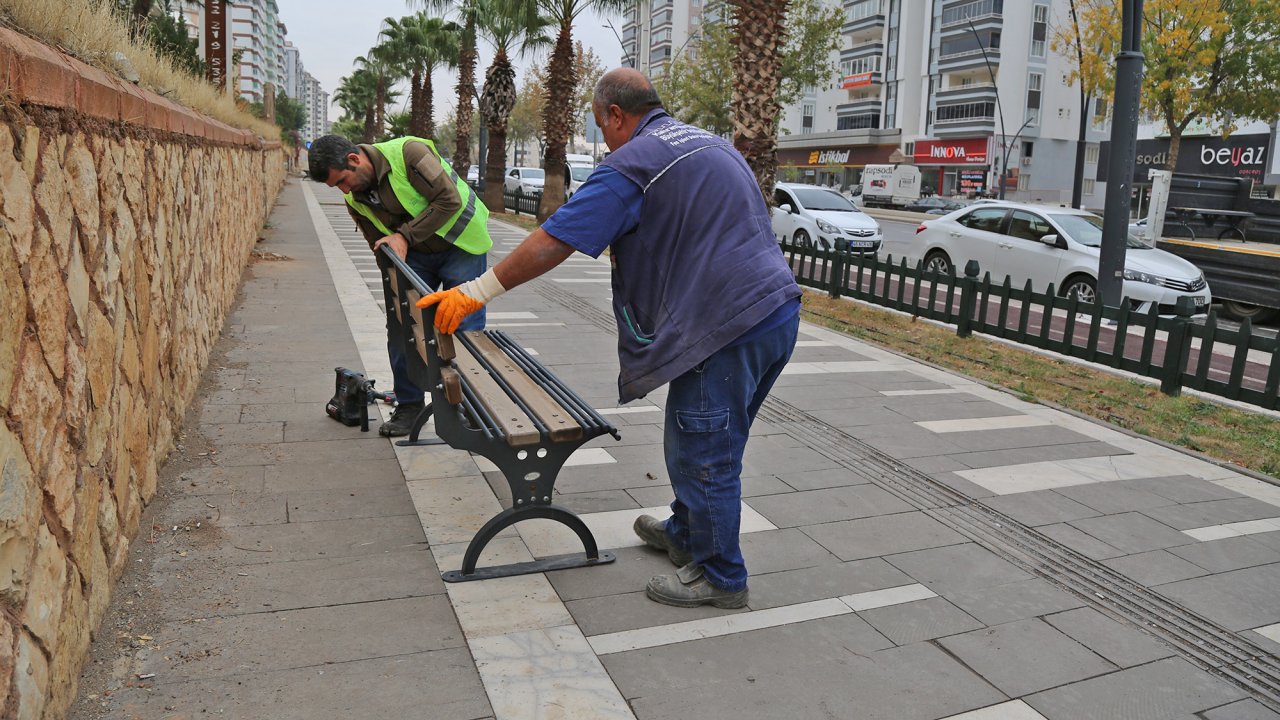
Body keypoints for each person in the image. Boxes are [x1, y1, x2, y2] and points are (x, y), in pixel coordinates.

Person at [417, 69, 801, 609]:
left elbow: (556, 240)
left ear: (616, 115)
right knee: (707, 436)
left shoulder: (635, 163)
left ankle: (721, 576)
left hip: (724, 327)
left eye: (602, 125)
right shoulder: (707, 143)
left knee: (705, 451)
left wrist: (475, 291)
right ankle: (687, 533)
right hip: (774, 313)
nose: (604, 137)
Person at [308, 134, 493, 437]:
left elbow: (449, 200)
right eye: (336, 187)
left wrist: (404, 236)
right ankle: (410, 406)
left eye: (343, 181)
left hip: (462, 244)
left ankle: (472, 407)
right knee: (402, 329)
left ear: (354, 160)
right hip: (417, 255)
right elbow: (377, 241)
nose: (344, 190)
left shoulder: (410, 154)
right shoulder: (355, 197)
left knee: (465, 329)